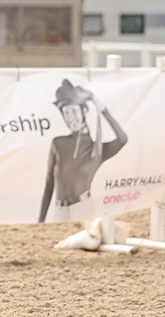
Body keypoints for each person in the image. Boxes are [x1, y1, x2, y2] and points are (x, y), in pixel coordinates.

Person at [38, 80, 127, 223]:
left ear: (84, 111)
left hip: (83, 209)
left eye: (73, 111)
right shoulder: (58, 143)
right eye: (66, 113)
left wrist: (99, 105)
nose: (70, 117)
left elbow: (122, 139)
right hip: (59, 212)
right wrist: (41, 220)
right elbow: (49, 184)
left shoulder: (97, 150)